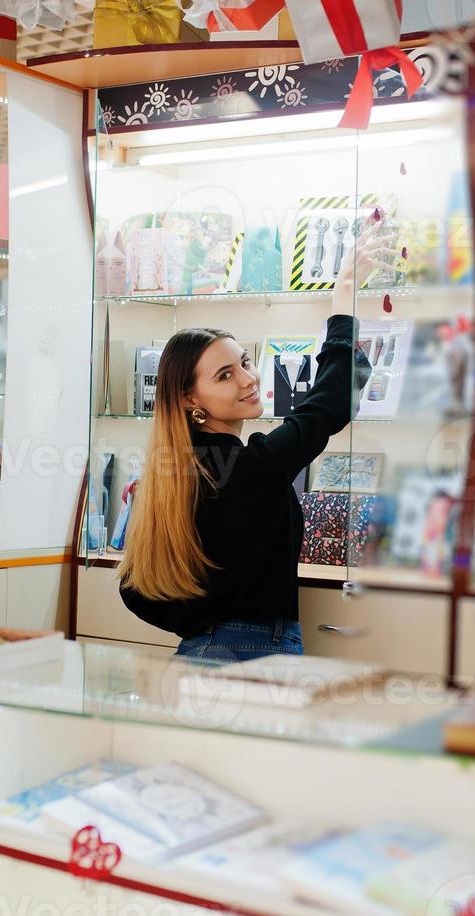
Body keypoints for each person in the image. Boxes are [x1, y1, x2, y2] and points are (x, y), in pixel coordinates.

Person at [118, 221, 393, 660]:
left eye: (245, 362)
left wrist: (204, 624)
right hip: (257, 655)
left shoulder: (174, 471)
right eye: (226, 375)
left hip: (200, 654)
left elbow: (134, 591)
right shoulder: (249, 467)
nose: (249, 380)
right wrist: (342, 300)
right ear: (190, 397)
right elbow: (330, 405)